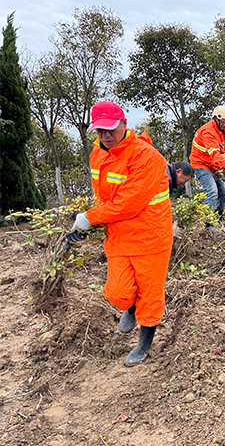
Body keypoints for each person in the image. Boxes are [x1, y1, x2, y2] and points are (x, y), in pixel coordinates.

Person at [69, 101, 173, 367]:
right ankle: (130, 306)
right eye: (100, 130)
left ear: (125, 125)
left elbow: (129, 202)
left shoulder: (146, 156)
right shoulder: (97, 155)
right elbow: (105, 198)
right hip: (119, 236)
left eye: (111, 129)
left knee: (150, 294)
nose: (105, 135)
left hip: (150, 238)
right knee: (116, 292)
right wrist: (89, 224)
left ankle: (144, 345)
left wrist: (90, 218)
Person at [190, 106, 225, 222]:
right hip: (202, 165)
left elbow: (224, 148)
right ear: (216, 119)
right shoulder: (208, 132)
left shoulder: (222, 130)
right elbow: (215, 155)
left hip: (215, 167)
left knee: (223, 193)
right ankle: (208, 223)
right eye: (223, 121)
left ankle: (218, 219)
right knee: (212, 192)